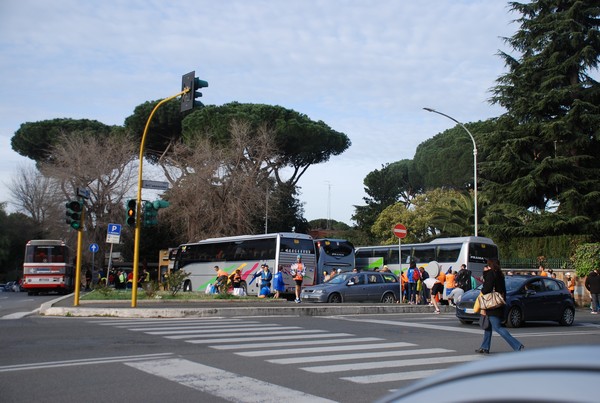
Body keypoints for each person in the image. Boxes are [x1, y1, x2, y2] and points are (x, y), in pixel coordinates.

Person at [476, 259, 524, 354]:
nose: (486, 267)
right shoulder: (500, 275)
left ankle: (517, 345)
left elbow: (486, 289)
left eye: (488, 265)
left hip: (491, 304)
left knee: (497, 327)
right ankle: (484, 347)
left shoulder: (491, 274)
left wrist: (485, 275)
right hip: (497, 303)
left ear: (490, 266)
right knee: (488, 327)